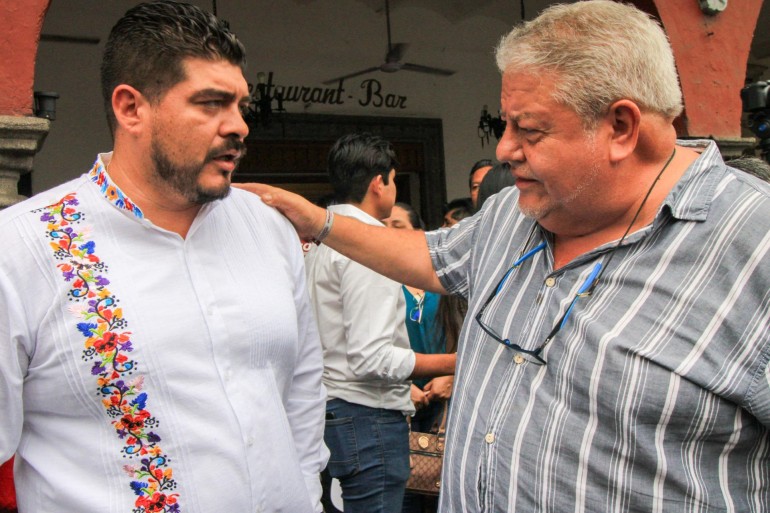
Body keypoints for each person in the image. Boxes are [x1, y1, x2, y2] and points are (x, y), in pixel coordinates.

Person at [236, 1, 770, 511]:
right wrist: (319, 221)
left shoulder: (754, 246)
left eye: (528, 129)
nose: (504, 149)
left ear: (621, 128)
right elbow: (428, 255)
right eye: (506, 124)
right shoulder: (512, 213)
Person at [0, 2, 328, 512]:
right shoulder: (23, 247)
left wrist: (305, 494)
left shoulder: (268, 229)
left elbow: (302, 389)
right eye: (211, 103)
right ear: (131, 108)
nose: (239, 126)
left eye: (240, 105)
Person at [307, 134, 456, 513]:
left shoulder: (324, 241)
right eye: (393, 180)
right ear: (379, 183)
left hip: (340, 411)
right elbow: (372, 358)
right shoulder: (367, 246)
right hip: (367, 415)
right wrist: (454, 362)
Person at [384, 202, 454, 513]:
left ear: (419, 232)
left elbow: (469, 333)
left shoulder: (445, 280)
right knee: (406, 491)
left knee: (444, 489)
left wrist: (452, 375)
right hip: (401, 400)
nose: (388, 233)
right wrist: (401, 387)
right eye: (383, 226)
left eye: (397, 226)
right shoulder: (380, 280)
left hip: (446, 400)